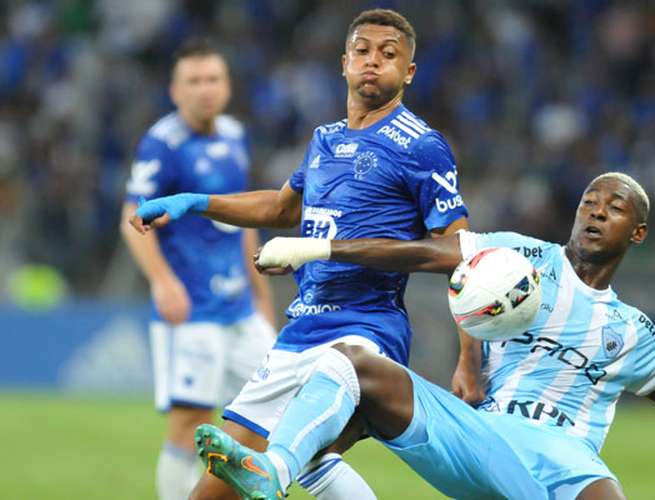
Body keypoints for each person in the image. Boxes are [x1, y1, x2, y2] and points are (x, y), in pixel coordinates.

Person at [193, 172, 655, 500]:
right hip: (485, 437)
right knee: (352, 362)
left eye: (612, 207)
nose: (594, 210)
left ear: (636, 233)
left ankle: (317, 465)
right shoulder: (520, 256)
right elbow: (423, 252)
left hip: (568, 467)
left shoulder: (632, 331)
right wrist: (317, 245)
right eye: (589, 200)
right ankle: (277, 467)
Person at [130, 9, 475, 500]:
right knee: (226, 487)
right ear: (343, 63)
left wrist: (469, 356)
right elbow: (279, 207)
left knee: (302, 453)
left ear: (409, 72)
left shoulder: (422, 146)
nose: (373, 62)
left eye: (388, 54)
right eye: (362, 51)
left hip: (364, 332)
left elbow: (460, 252)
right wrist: (196, 203)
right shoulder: (325, 140)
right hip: (302, 330)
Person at [120, 38, 279, 500]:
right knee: (190, 422)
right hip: (190, 310)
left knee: (276, 409)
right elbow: (132, 218)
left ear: (227, 86)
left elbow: (243, 217)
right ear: (175, 90)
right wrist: (163, 282)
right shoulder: (163, 144)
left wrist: (261, 297)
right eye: (194, 81)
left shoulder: (233, 135)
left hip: (239, 309)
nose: (205, 90)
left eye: (213, 79)